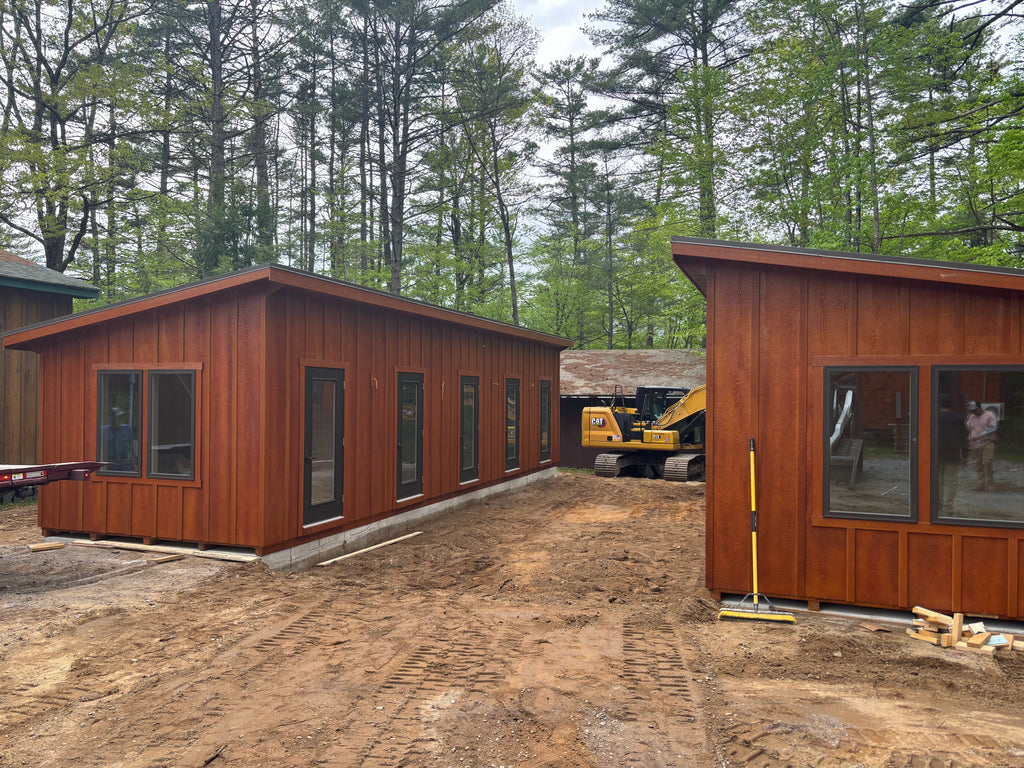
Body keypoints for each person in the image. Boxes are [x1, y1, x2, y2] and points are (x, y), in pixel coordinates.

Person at [936, 397, 965, 514]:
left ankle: (937, 506)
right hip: (953, 453)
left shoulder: (934, 418)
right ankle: (948, 508)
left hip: (937, 453)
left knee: (938, 480)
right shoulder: (959, 418)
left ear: (939, 405)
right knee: (951, 481)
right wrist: (965, 456)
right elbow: (963, 438)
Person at [965, 400, 998, 492]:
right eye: (972, 410)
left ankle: (989, 484)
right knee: (979, 464)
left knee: (987, 462)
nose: (974, 412)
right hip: (976, 444)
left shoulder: (989, 415)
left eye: (975, 410)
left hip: (988, 441)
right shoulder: (971, 417)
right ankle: (981, 484)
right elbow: (969, 428)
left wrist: (980, 435)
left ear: (979, 408)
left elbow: (993, 428)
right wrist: (969, 437)